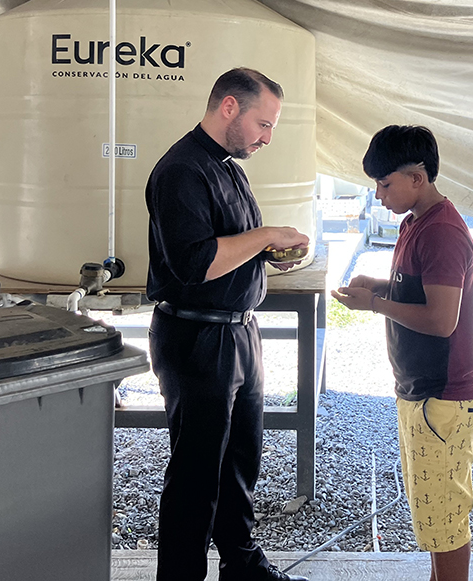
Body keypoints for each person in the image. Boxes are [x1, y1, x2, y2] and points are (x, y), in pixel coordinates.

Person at [145, 68, 309, 581]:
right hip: (197, 338)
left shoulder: (228, 166)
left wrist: (265, 255)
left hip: (237, 332)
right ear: (230, 108)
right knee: (196, 476)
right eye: (264, 124)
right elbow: (194, 263)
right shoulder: (181, 170)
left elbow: (231, 249)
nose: (267, 137)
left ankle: (243, 568)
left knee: (240, 465)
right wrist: (262, 238)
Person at [331, 125, 473, 581]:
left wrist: (376, 304)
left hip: (443, 394)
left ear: (417, 177)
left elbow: (442, 320)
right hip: (424, 391)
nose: (378, 194)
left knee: (447, 518)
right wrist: (379, 285)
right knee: (435, 516)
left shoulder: (441, 233)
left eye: (385, 183)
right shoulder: (416, 222)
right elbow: (420, 292)